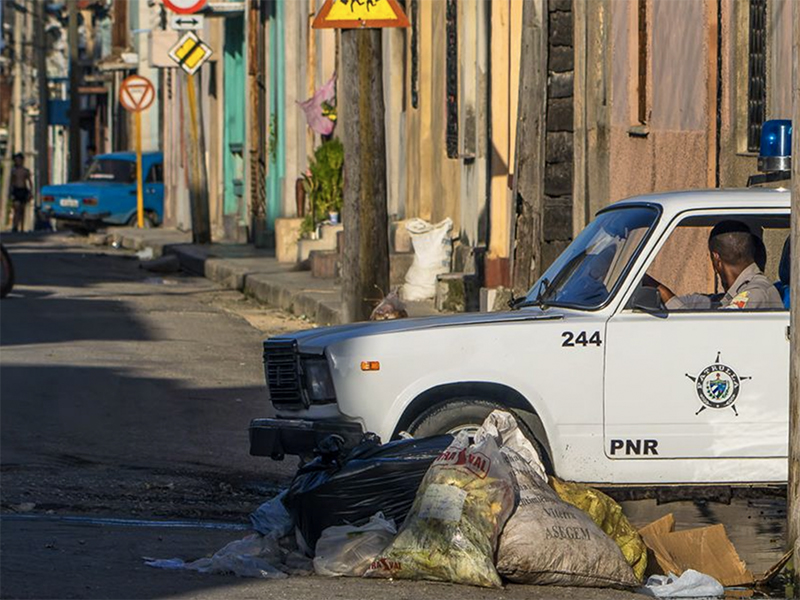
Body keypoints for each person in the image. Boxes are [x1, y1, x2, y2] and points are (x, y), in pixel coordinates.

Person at [643, 220, 784, 311]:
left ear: (716, 259)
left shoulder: (755, 293)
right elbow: (698, 302)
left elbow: (714, 332)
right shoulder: (733, 294)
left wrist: (663, 292)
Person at [9, 153, 32, 233]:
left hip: (23, 190)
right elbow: (12, 182)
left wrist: (30, 192)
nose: (18, 162)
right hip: (16, 190)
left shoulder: (25, 171)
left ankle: (22, 227)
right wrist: (11, 192)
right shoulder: (14, 171)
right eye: (16, 160)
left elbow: (29, 182)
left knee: (22, 209)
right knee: (16, 209)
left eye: (19, 160)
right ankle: (15, 226)